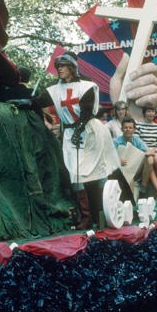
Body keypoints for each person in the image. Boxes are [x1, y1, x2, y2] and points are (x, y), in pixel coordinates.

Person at [36, 51, 133, 229]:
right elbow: (39, 101)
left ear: (72, 68)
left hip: (91, 133)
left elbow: (87, 111)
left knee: (100, 171)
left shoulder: (86, 87)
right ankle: (87, 216)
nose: (59, 70)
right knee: (76, 174)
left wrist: (79, 129)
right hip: (71, 135)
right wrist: (25, 102)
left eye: (63, 66)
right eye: (58, 67)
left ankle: (105, 212)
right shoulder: (56, 90)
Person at [135, 106, 157, 195]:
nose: (151, 113)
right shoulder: (138, 125)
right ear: (144, 113)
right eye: (148, 111)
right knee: (150, 161)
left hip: (155, 151)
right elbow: (137, 141)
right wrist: (148, 151)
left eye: (152, 111)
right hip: (144, 152)